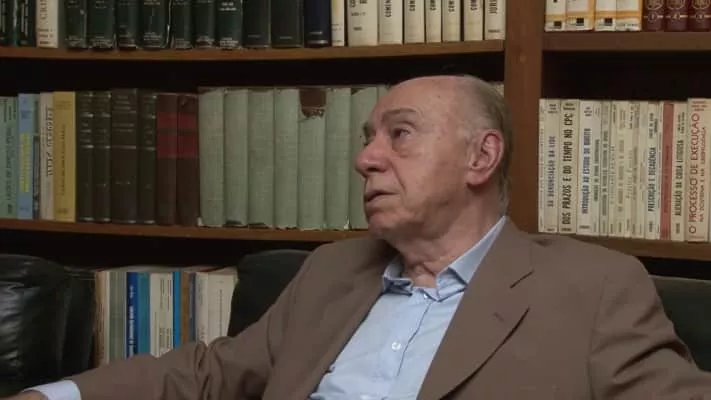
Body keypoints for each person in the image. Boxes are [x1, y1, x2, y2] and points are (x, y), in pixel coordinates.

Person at [7, 74, 711, 400]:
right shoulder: (332, 270)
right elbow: (208, 373)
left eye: (399, 135)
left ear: (481, 157)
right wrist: (53, 399)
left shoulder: (591, 287)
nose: (365, 158)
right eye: (368, 137)